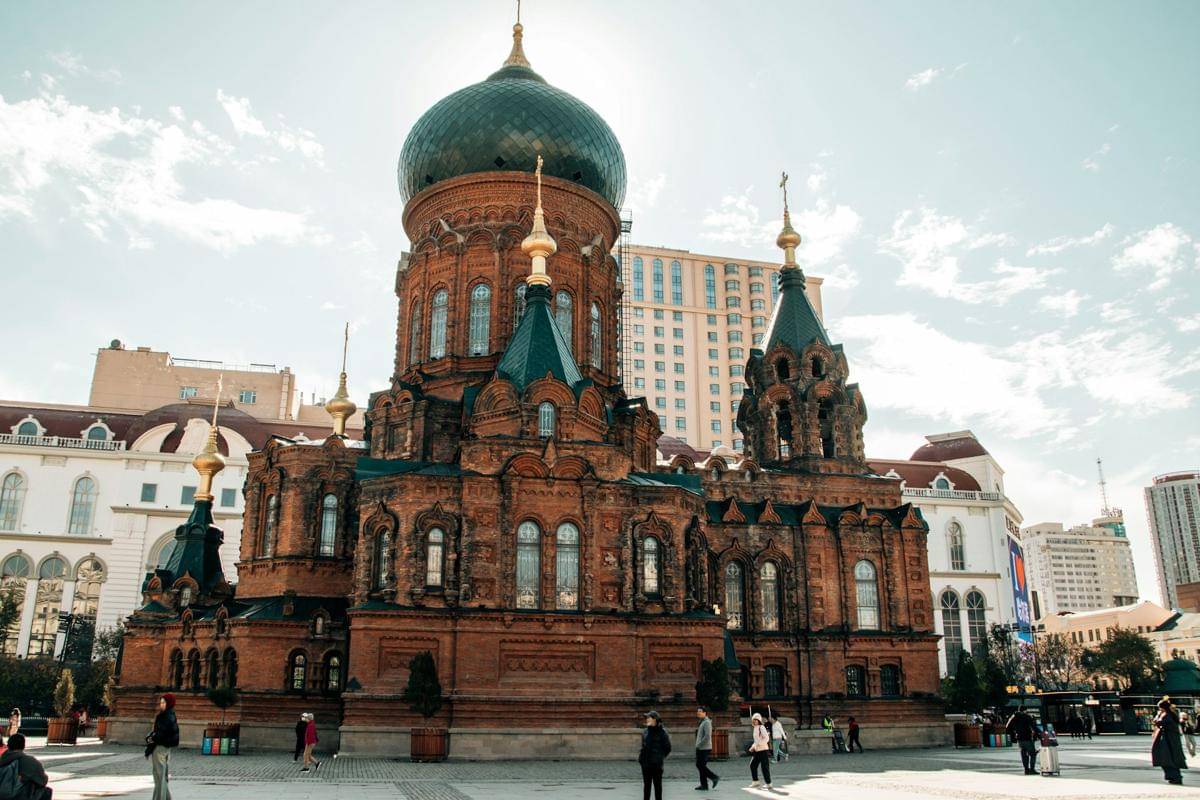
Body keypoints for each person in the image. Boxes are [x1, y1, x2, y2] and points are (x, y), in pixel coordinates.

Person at [144, 693, 179, 800]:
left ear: (169, 703)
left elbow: (161, 733)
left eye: (163, 702)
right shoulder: (171, 714)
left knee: (159, 776)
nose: (161, 704)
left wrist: (152, 738)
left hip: (159, 748)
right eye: (161, 702)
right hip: (166, 748)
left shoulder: (165, 716)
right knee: (162, 776)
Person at [0, 733, 52, 799]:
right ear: (23, 746)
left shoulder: (2, 759)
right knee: (46, 791)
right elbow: (43, 781)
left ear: (8, 745)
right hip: (19, 796)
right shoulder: (30, 761)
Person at [1152, 697, 1187, 785]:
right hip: (1171, 739)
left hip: (1167, 740)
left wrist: (1158, 716)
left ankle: (1175, 777)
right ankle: (1174, 776)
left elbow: (1158, 722)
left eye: (1160, 707)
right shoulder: (1171, 714)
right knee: (1170, 758)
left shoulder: (1166, 715)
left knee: (1167, 758)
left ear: (1162, 707)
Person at [638, 710, 671, 800]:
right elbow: (643, 746)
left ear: (655, 719)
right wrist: (641, 759)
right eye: (646, 718)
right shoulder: (645, 732)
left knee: (657, 786)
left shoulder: (662, 732)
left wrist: (659, 757)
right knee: (646, 786)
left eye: (649, 718)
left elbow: (668, 748)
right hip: (646, 763)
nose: (647, 719)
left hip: (656, 765)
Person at [1005, 706, 1039, 775]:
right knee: (1032, 754)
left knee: (1023, 754)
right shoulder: (1027, 716)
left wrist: (1014, 734)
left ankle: (1026, 770)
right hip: (1027, 738)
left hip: (1019, 739)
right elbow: (1034, 727)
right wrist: (1040, 735)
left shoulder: (1014, 716)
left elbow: (1007, 726)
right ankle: (1032, 769)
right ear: (1025, 710)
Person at [693, 706, 719, 791]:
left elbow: (707, 736)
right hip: (701, 747)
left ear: (705, 713)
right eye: (698, 711)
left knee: (700, 765)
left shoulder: (707, 722)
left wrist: (699, 745)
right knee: (701, 766)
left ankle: (714, 777)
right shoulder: (702, 722)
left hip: (704, 748)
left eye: (700, 711)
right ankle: (704, 785)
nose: (698, 713)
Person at [747, 713, 773, 790]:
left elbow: (766, 738)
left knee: (764, 767)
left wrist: (758, 744)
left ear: (759, 720)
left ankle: (769, 783)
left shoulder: (761, 727)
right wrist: (753, 747)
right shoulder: (755, 728)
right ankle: (755, 781)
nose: (755, 721)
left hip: (763, 750)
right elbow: (756, 740)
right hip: (757, 751)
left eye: (756, 720)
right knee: (752, 765)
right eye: (754, 720)